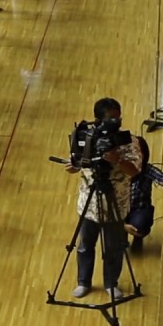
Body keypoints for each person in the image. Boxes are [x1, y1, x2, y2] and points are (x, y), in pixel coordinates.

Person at [65, 98, 141, 300]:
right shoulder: (88, 137)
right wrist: (74, 165)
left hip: (116, 203)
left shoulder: (129, 141)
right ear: (98, 120)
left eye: (118, 118)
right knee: (84, 246)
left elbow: (134, 171)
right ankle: (83, 282)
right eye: (111, 119)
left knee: (114, 247)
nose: (117, 122)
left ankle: (111, 283)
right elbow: (77, 163)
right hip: (89, 205)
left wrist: (118, 159)